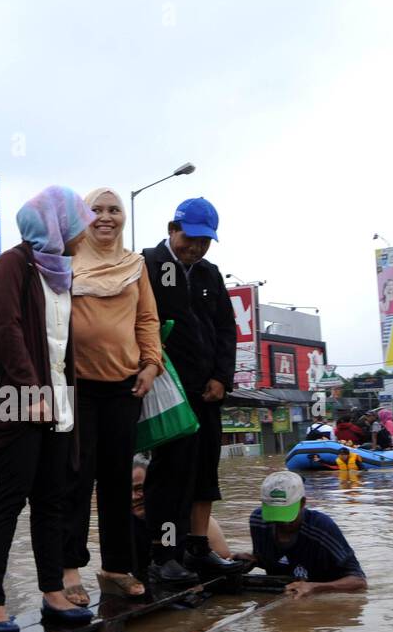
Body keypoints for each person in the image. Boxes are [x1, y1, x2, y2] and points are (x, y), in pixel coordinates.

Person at [0, 186, 95, 632]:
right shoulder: (13, 264)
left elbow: (60, 348)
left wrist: (58, 401)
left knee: (51, 501)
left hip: (58, 404)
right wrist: (30, 390)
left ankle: (52, 592)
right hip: (16, 402)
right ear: (58, 225)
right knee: (9, 499)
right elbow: (4, 329)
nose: (83, 234)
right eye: (78, 224)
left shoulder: (60, 273)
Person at [61, 188, 162, 604]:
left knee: (118, 481)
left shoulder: (135, 265)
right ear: (83, 217)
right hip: (78, 387)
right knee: (76, 479)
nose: (106, 217)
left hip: (125, 386)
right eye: (97, 210)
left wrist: (152, 364)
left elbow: (148, 319)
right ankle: (68, 572)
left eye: (114, 210)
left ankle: (116, 568)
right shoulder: (65, 260)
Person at [141, 197, 239, 584]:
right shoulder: (147, 265)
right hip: (166, 390)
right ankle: (163, 554)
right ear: (172, 229)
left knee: (204, 470)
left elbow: (225, 329)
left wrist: (222, 377)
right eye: (190, 238)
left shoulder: (209, 275)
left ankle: (199, 549)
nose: (196, 248)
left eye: (205, 241)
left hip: (206, 390)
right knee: (170, 471)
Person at [234, 471, 367, 599]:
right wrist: (255, 560)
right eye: (275, 514)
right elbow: (281, 562)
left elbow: (359, 581)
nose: (281, 522)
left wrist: (315, 587)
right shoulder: (258, 522)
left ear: (302, 503)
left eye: (286, 515)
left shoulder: (322, 528)